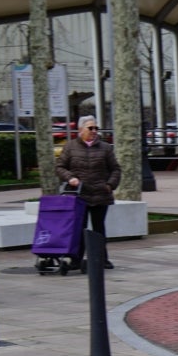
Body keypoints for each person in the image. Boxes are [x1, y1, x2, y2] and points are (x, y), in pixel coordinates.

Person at [55, 114, 120, 269]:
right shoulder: (70, 147)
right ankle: (76, 260)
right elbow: (59, 167)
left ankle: (102, 259)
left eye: (96, 128)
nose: (94, 131)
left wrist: (110, 185)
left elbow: (116, 169)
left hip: (100, 193)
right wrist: (70, 178)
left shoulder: (105, 148)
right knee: (79, 228)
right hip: (79, 195)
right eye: (90, 128)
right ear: (80, 129)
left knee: (99, 228)